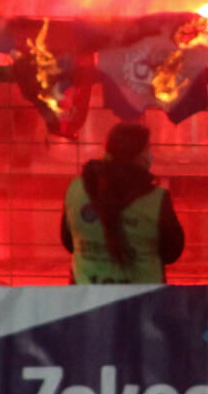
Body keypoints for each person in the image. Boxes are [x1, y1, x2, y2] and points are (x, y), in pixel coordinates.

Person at [59, 121, 183, 284]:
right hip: (143, 301)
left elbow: (69, 243)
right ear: (138, 155)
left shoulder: (76, 190)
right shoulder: (156, 199)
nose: (151, 154)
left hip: (88, 298)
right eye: (148, 148)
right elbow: (172, 252)